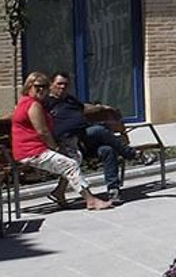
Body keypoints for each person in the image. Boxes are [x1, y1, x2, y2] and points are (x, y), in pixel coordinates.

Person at [11, 71, 115, 211]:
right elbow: (43, 132)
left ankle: (59, 192)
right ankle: (91, 201)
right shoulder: (33, 105)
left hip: (32, 149)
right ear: (29, 86)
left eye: (45, 86)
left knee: (75, 156)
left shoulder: (25, 102)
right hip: (31, 152)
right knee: (70, 164)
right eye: (38, 86)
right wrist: (55, 148)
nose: (42, 89)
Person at [46, 72, 138, 202]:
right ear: (51, 85)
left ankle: (113, 191)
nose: (62, 87)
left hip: (84, 140)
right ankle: (132, 154)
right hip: (69, 143)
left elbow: (84, 108)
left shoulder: (70, 100)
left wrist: (100, 107)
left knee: (107, 150)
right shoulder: (45, 102)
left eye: (65, 84)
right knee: (99, 130)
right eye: (59, 84)